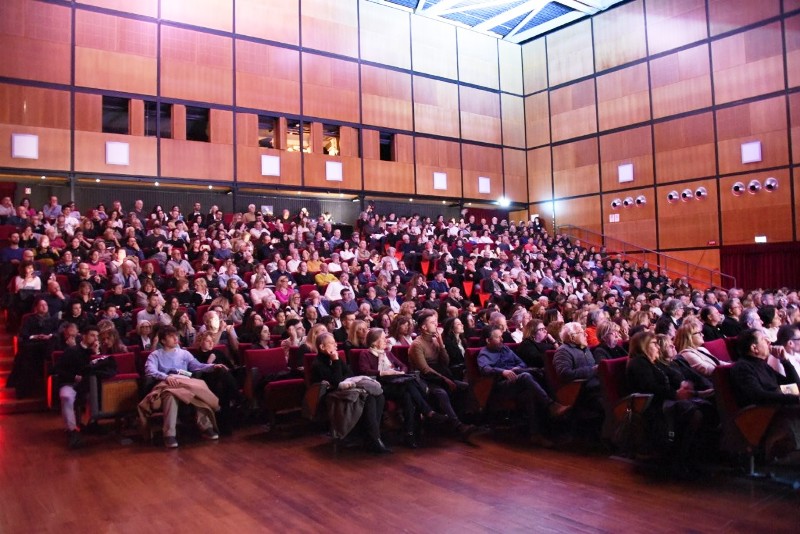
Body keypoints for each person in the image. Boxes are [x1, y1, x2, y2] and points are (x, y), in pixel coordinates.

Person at [626, 330, 706, 478]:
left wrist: (683, 387)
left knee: (703, 407)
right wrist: (676, 394)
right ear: (643, 346)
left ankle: (692, 458)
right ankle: (680, 459)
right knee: (694, 414)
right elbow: (650, 387)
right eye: (654, 344)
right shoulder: (638, 363)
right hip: (650, 406)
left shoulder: (653, 362)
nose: (658, 347)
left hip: (663, 401)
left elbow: (669, 379)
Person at [478, 326, 569, 447]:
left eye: (501, 336)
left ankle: (537, 434)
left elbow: (521, 363)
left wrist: (516, 368)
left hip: (516, 380)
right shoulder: (484, 353)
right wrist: (502, 371)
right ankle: (551, 405)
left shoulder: (505, 349)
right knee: (526, 376)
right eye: (498, 337)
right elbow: (485, 369)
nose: (501, 339)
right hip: (499, 386)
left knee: (530, 392)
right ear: (488, 340)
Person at [358, 328, 447, 448]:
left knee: (408, 396)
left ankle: (410, 433)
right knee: (409, 386)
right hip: (380, 386)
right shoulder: (365, 354)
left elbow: (403, 366)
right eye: (383, 338)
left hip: (396, 384)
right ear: (374, 342)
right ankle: (425, 414)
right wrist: (385, 372)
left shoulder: (387, 353)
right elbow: (365, 371)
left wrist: (398, 372)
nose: (386, 340)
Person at [142, 326, 228, 448]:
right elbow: (150, 370)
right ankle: (169, 435)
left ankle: (205, 427)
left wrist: (212, 367)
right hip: (167, 384)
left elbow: (197, 366)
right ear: (163, 341)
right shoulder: (155, 355)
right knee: (170, 395)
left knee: (196, 389)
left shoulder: (184, 353)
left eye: (175, 335)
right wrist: (166, 377)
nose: (175, 338)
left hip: (185, 382)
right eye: (171, 336)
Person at [311, 332, 391, 454]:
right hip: (331, 396)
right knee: (368, 399)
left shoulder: (335, 358)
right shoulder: (318, 363)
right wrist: (336, 361)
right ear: (322, 347)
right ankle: (374, 439)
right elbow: (337, 382)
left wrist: (339, 369)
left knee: (379, 396)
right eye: (332, 344)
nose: (336, 346)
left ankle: (373, 435)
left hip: (347, 390)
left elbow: (350, 374)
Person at [730, 329, 800, 463]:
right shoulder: (742, 367)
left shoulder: (762, 365)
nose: (769, 342)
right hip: (761, 413)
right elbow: (757, 395)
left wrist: (785, 361)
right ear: (754, 348)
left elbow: (795, 385)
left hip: (776, 408)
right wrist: (795, 399)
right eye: (763, 339)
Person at [408, 310, 476, 441]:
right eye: (432, 323)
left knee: (465, 387)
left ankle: (462, 419)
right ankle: (457, 425)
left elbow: (445, 361)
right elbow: (425, 369)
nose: (436, 325)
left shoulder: (435, 341)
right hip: (425, 380)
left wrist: (440, 343)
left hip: (439, 377)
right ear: (424, 327)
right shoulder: (417, 344)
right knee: (441, 393)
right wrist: (445, 379)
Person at [52, 326, 101, 448]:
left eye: (97, 336)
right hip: (70, 383)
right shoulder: (72, 351)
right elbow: (57, 369)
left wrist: (96, 355)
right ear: (84, 336)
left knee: (99, 393)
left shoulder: (97, 352)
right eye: (92, 335)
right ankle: (72, 430)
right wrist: (73, 377)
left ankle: (92, 423)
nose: (95, 339)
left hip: (89, 385)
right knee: (66, 397)